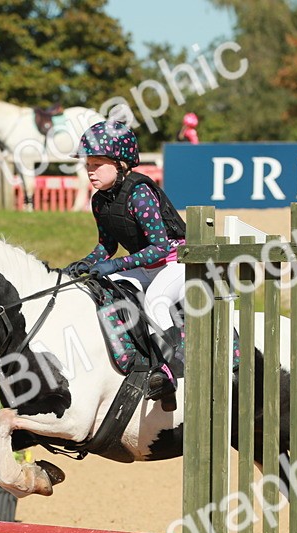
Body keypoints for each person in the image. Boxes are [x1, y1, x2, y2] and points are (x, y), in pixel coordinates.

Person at [65, 119, 187, 399]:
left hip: (177, 263)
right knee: (103, 289)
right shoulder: (100, 201)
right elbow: (106, 247)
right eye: (88, 165)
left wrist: (115, 264)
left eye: (97, 164)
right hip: (146, 265)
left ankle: (169, 369)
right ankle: (130, 359)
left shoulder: (140, 193)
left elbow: (159, 247)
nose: (90, 171)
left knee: (157, 301)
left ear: (120, 164)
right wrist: (86, 262)